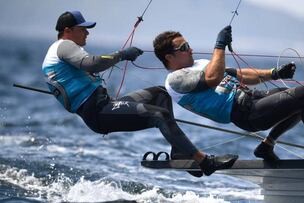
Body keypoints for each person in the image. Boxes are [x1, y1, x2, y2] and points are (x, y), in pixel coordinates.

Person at [41, 11, 238, 177]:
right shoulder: (64, 46)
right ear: (67, 31)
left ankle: (179, 153)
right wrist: (122, 55)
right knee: (158, 115)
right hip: (98, 113)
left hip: (105, 105)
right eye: (82, 29)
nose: (87, 33)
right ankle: (205, 161)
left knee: (161, 94)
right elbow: (92, 63)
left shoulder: (60, 52)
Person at [153, 26, 304, 162]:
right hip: (244, 114)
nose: (191, 49)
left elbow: (240, 74)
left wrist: (275, 73)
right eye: (184, 48)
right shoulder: (174, 79)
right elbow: (213, 78)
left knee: (298, 99)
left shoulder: (199, 64)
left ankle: (267, 145)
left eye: (189, 44)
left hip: (252, 98)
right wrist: (219, 44)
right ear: (169, 57)